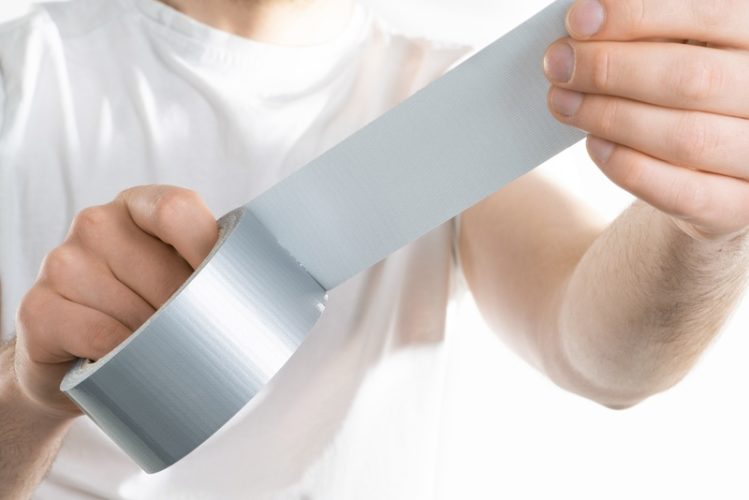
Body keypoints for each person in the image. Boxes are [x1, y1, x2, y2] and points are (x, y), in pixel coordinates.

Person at [1, 0, 748, 497]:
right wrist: (28, 398)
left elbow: (599, 356)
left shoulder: (447, 102)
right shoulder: (19, 83)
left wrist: (708, 230)